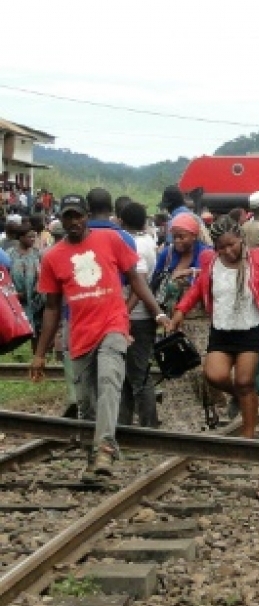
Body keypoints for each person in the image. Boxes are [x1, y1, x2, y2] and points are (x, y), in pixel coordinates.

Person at [30, 194, 169, 481]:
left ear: (87, 215)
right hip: (80, 335)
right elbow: (53, 308)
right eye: (68, 217)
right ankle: (94, 459)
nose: (74, 222)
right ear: (61, 220)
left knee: (109, 381)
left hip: (113, 325)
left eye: (78, 215)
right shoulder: (53, 257)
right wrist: (40, 353)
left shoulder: (110, 240)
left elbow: (136, 279)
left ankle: (105, 448)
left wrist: (157, 313)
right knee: (86, 403)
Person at [169, 215, 259, 438]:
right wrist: (180, 311)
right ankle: (243, 396)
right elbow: (197, 289)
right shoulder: (209, 261)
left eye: (231, 244)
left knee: (245, 380)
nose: (227, 251)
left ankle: (248, 436)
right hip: (223, 329)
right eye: (221, 247)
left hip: (253, 328)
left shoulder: (258, 259)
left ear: (241, 239)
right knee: (214, 375)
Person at [119, 202, 159, 428]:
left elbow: (138, 282)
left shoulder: (131, 244)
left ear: (122, 221)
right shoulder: (149, 242)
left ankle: (148, 425)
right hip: (144, 315)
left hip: (134, 315)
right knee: (131, 373)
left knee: (138, 375)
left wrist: (124, 311)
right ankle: (125, 423)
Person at [7, 223, 44, 351]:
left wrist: (38, 287)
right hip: (15, 300)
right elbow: (5, 276)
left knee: (35, 330)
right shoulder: (10, 255)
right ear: (21, 238)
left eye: (34, 237)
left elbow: (41, 274)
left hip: (35, 300)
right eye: (29, 237)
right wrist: (14, 294)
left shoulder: (36, 254)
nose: (33, 240)